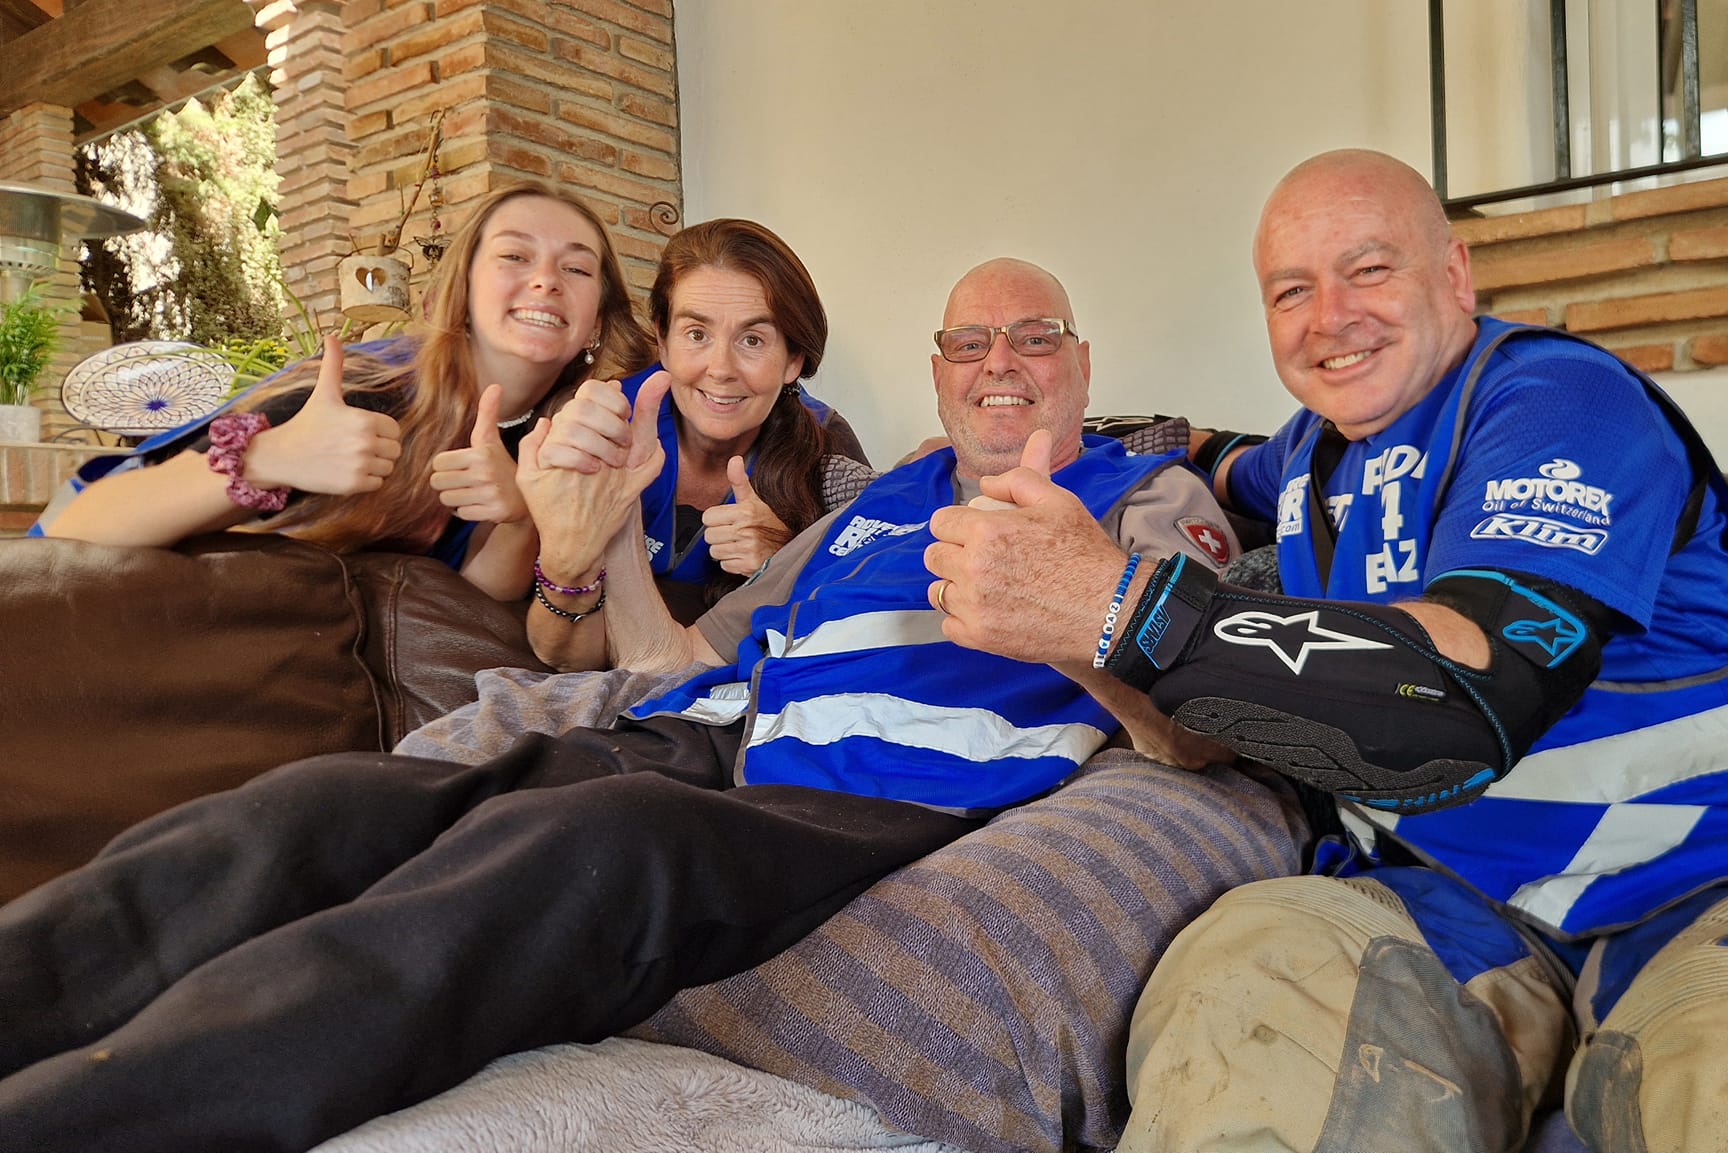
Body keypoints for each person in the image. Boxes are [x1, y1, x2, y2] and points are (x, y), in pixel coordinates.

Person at [924, 151, 1728, 1151]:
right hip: (1449, 905)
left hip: (1726, 877)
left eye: (1367, 272)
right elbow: (1218, 456)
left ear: (1454, 276)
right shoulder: (1315, 453)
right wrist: (1072, 482)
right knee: (1251, 970)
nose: (1329, 319)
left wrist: (1126, 605)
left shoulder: (1559, 398)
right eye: (1289, 291)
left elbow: (1467, 692)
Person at [0, 257, 1236, 1153]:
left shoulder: (1144, 491)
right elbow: (676, 659)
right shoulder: (868, 506)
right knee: (328, 802)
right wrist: (617, 538)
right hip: (725, 739)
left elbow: (1200, 724)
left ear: (1079, 364)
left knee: (587, 851)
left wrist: (1074, 615)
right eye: (968, 343)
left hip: (898, 794)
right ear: (938, 374)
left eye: (1034, 336)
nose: (999, 364)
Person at [32, 181, 655, 600]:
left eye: (576, 267)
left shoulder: (571, 428)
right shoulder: (370, 386)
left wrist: (518, 516)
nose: (546, 281)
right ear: (460, 290)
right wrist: (270, 458)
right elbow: (72, 534)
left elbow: (476, 610)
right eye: (515, 257)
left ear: (598, 319)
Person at [526, 218, 872, 670]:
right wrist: (570, 553)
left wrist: (786, 565)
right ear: (663, 341)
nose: (721, 368)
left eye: (752, 339)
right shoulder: (601, 425)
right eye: (696, 334)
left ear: (794, 360)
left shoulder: (827, 449)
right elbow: (564, 655)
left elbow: (865, 612)